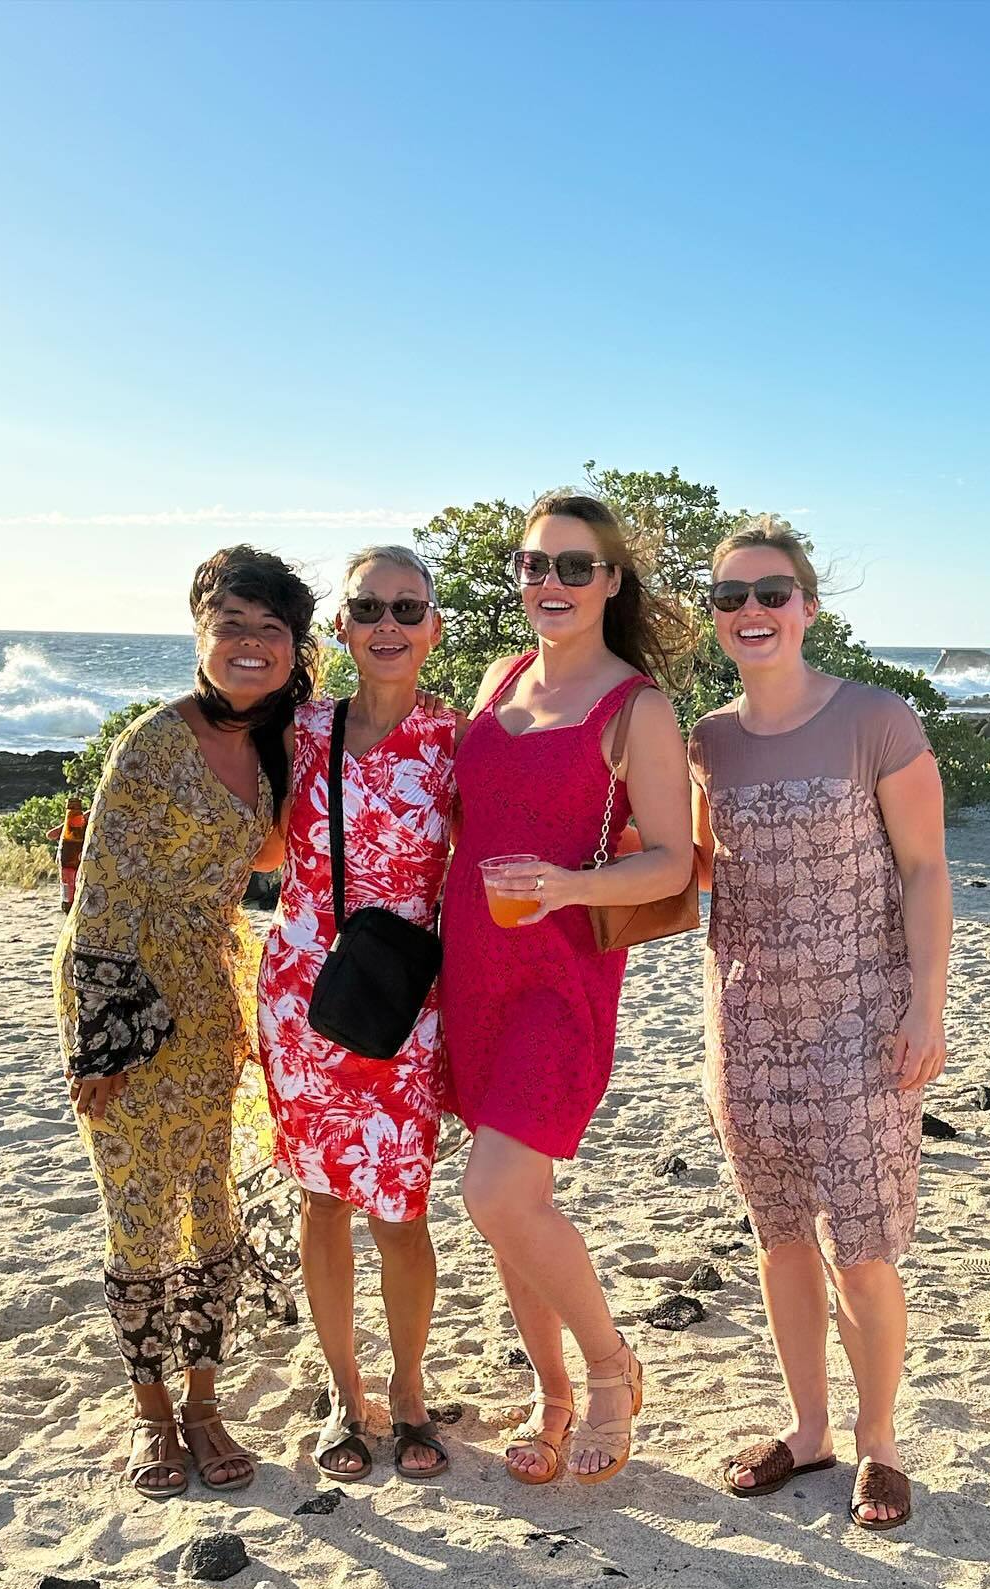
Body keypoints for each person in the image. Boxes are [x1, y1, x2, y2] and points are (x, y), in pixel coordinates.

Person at [688, 516, 950, 1532]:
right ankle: (809, 1430)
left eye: (772, 592)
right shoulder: (706, 741)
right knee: (782, 1236)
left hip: (862, 1018)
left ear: (807, 605)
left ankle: (880, 1441)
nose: (751, 610)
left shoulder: (876, 717)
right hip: (747, 1024)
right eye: (732, 596)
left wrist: (927, 1003)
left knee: (863, 1247)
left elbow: (925, 869)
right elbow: (697, 870)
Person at [442, 491, 694, 1487]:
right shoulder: (498, 677)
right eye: (534, 564)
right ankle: (549, 1394)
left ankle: (609, 1366)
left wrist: (569, 885)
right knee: (516, 1205)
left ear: (611, 580)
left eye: (575, 566)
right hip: (472, 969)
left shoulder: (637, 708)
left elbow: (673, 860)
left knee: (495, 1189)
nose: (551, 582)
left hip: (560, 981)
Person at [54, 545, 316, 1500]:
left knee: (211, 1198)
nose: (250, 643)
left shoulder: (275, 744)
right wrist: (103, 1039)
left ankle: (206, 1404)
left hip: (211, 988)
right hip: (126, 991)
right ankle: (151, 1412)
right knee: (138, 1207)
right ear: (200, 633)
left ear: (294, 646)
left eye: (270, 629)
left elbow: (280, 855)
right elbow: (100, 899)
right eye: (231, 624)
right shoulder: (153, 743)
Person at [258, 545, 460, 1483]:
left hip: (399, 1007)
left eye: (407, 609)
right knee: (323, 1201)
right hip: (302, 995)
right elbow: (249, 833)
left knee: (400, 1210)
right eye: (369, 608)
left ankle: (409, 1388)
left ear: (434, 628)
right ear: (340, 626)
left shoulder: (457, 740)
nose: (388, 624)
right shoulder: (300, 728)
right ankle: (347, 1390)